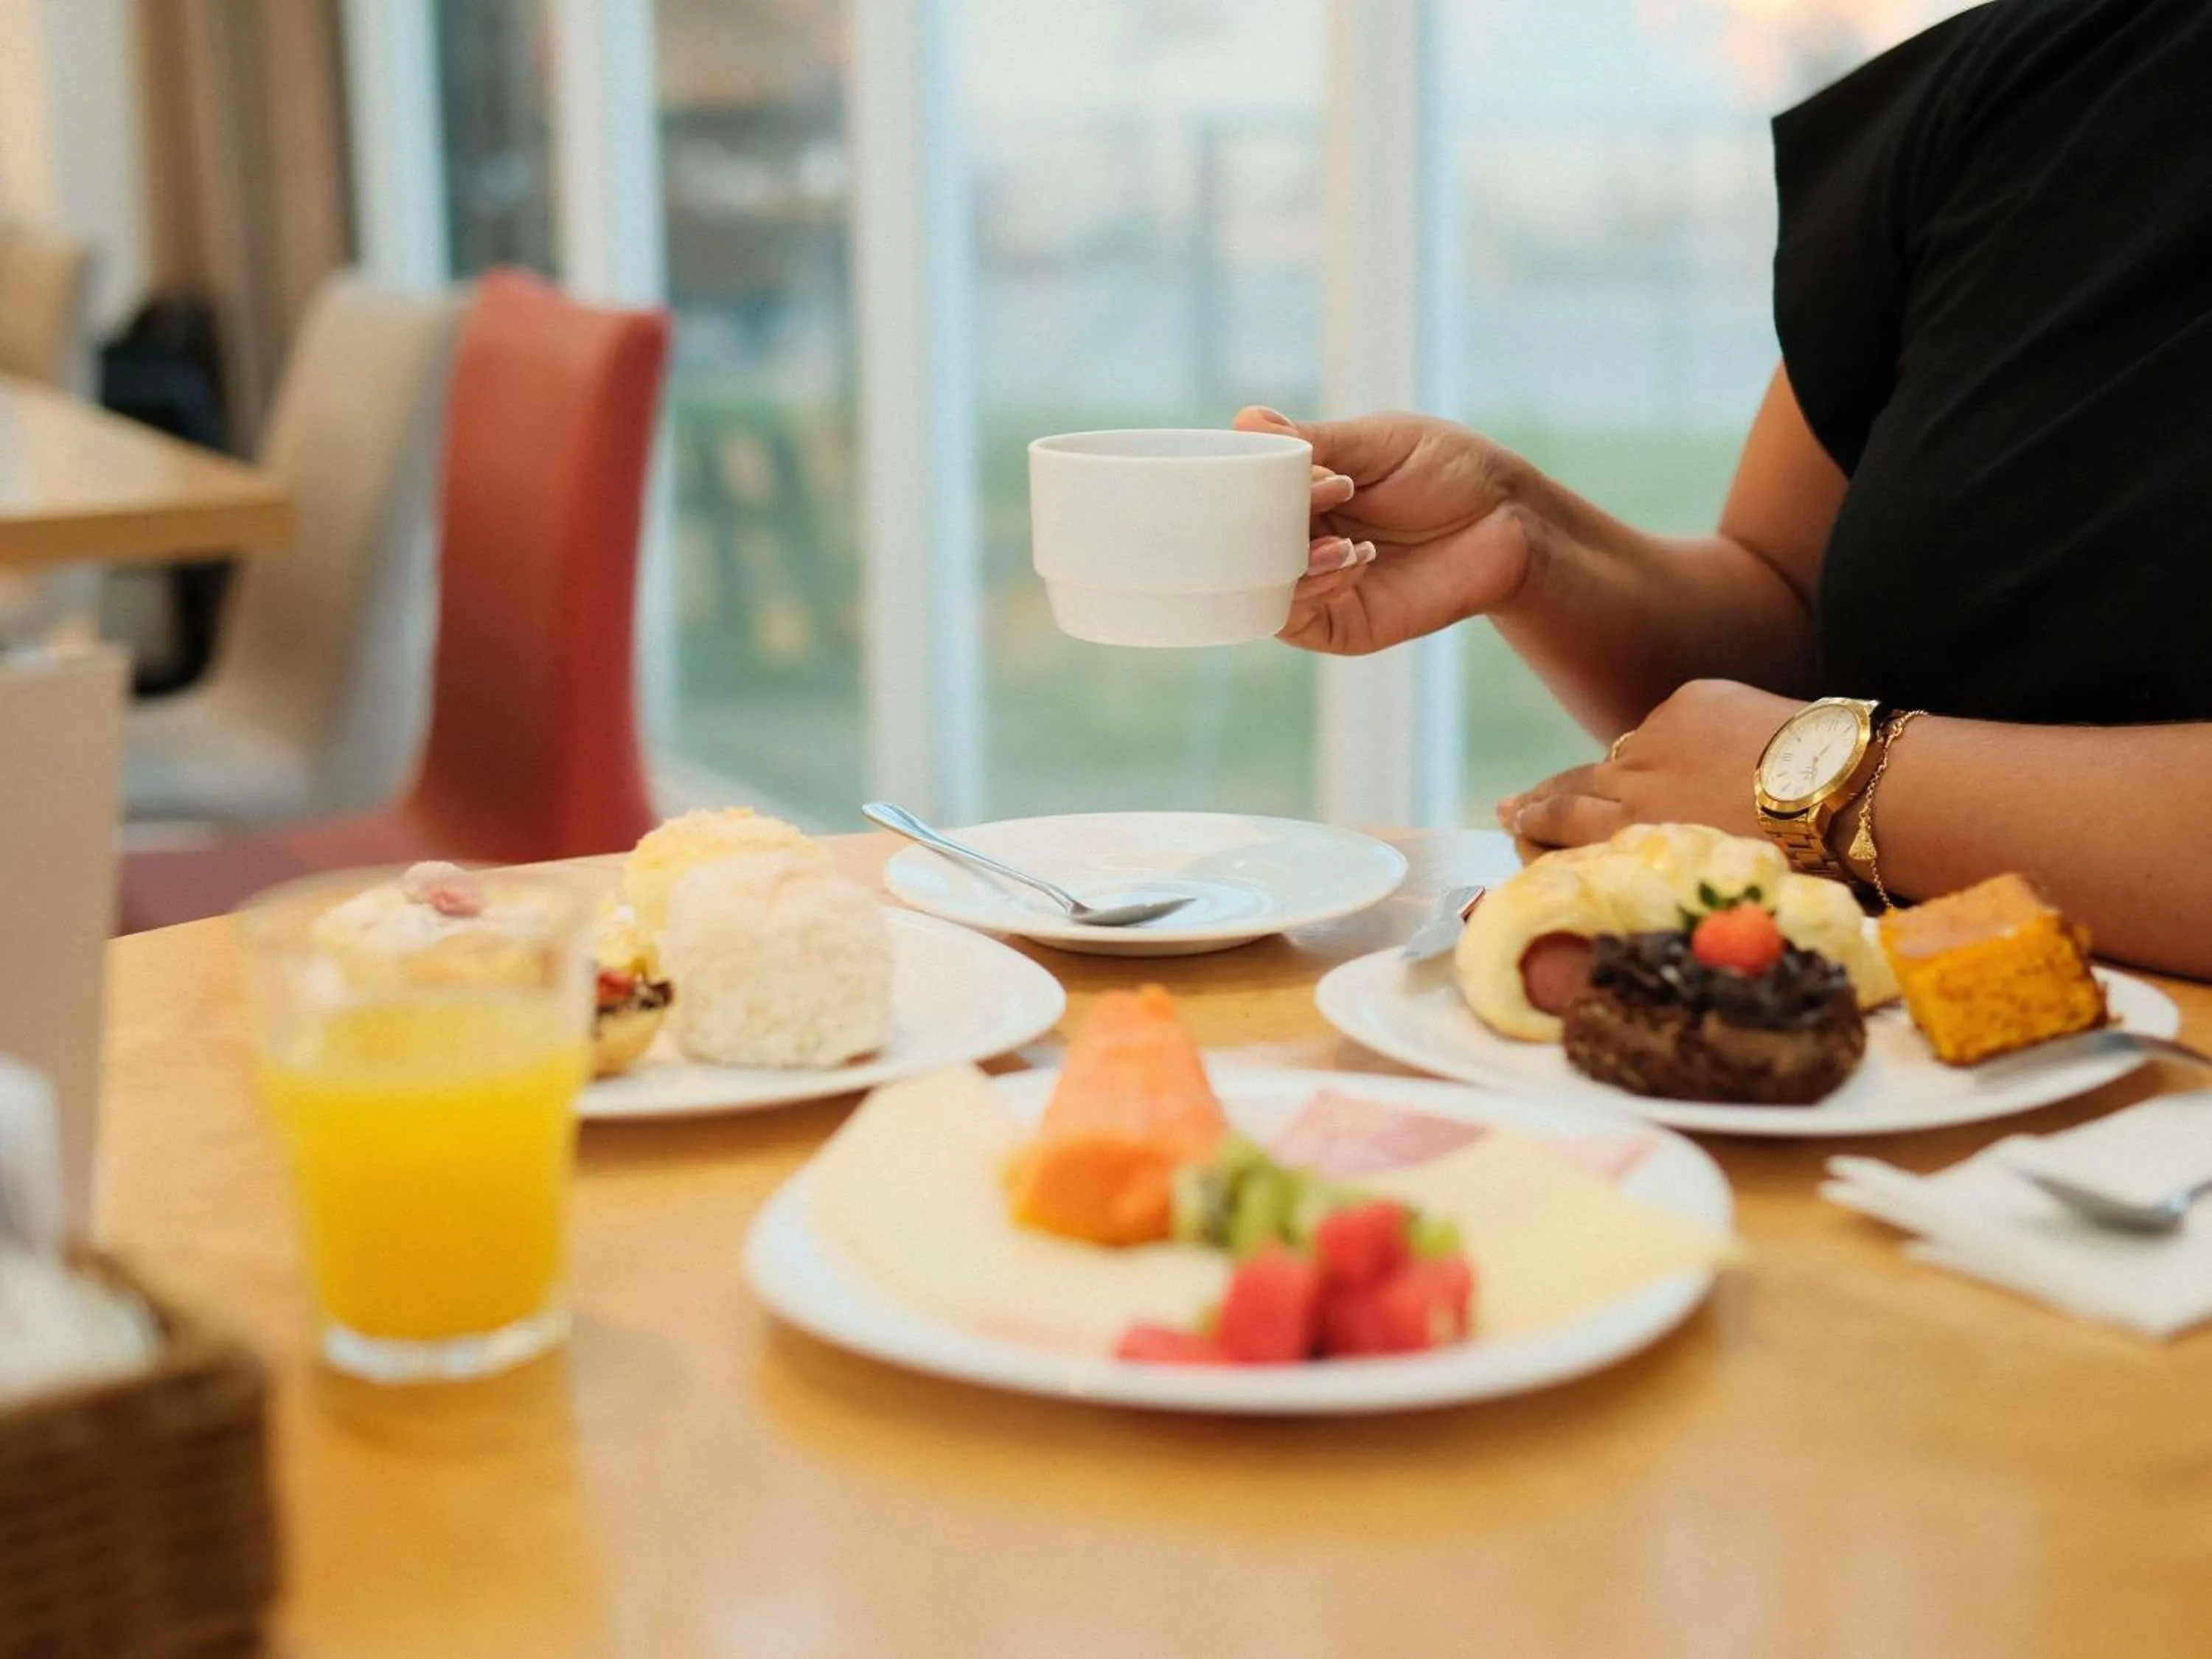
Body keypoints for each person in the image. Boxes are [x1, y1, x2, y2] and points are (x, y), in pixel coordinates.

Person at [1239, 0, 2212, 980]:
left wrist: (1828, 784)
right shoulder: (2029, 84)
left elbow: (1786, 753)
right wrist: (1526, 541)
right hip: (1876, 1088)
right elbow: (1791, 621)